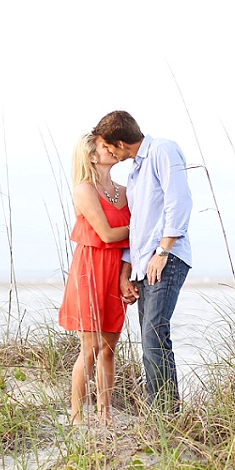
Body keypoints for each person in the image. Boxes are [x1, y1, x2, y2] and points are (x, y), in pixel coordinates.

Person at [92, 110, 192, 413]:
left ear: (120, 142)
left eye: (108, 146)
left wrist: (162, 253)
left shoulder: (162, 149)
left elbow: (179, 202)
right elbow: (138, 226)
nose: (108, 152)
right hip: (145, 264)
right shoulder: (136, 170)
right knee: (150, 336)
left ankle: (165, 414)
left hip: (167, 258)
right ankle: (161, 411)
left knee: (154, 332)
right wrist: (127, 272)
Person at [58, 132, 131, 426]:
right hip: (89, 270)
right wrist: (144, 228)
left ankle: (105, 414)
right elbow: (108, 234)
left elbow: (129, 248)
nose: (112, 149)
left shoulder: (125, 191)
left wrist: (126, 274)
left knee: (110, 348)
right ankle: (76, 418)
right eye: (105, 146)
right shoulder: (84, 190)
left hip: (116, 271)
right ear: (91, 155)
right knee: (89, 348)